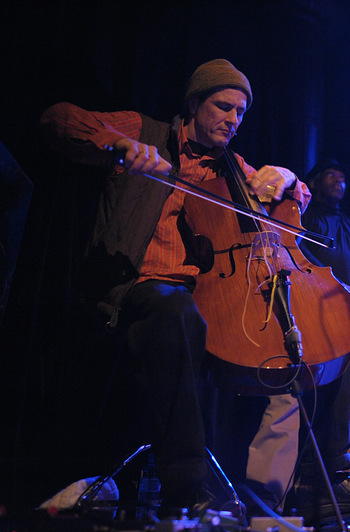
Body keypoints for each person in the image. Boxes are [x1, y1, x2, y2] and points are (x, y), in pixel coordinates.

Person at [39, 59, 311, 517]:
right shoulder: (143, 130)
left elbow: (287, 206)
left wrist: (289, 181)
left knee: (305, 344)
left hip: (208, 304)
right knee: (175, 309)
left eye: (241, 112)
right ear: (194, 104)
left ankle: (302, 490)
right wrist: (117, 144)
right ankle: (187, 486)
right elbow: (56, 120)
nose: (233, 119)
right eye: (223, 106)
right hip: (132, 291)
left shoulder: (232, 168)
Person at [244, 159, 350, 522]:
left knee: (343, 397)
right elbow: (291, 252)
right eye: (332, 176)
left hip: (345, 317)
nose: (339, 183)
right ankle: (267, 492)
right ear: (313, 181)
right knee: (290, 396)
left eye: (344, 178)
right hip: (302, 310)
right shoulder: (303, 214)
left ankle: (335, 480)